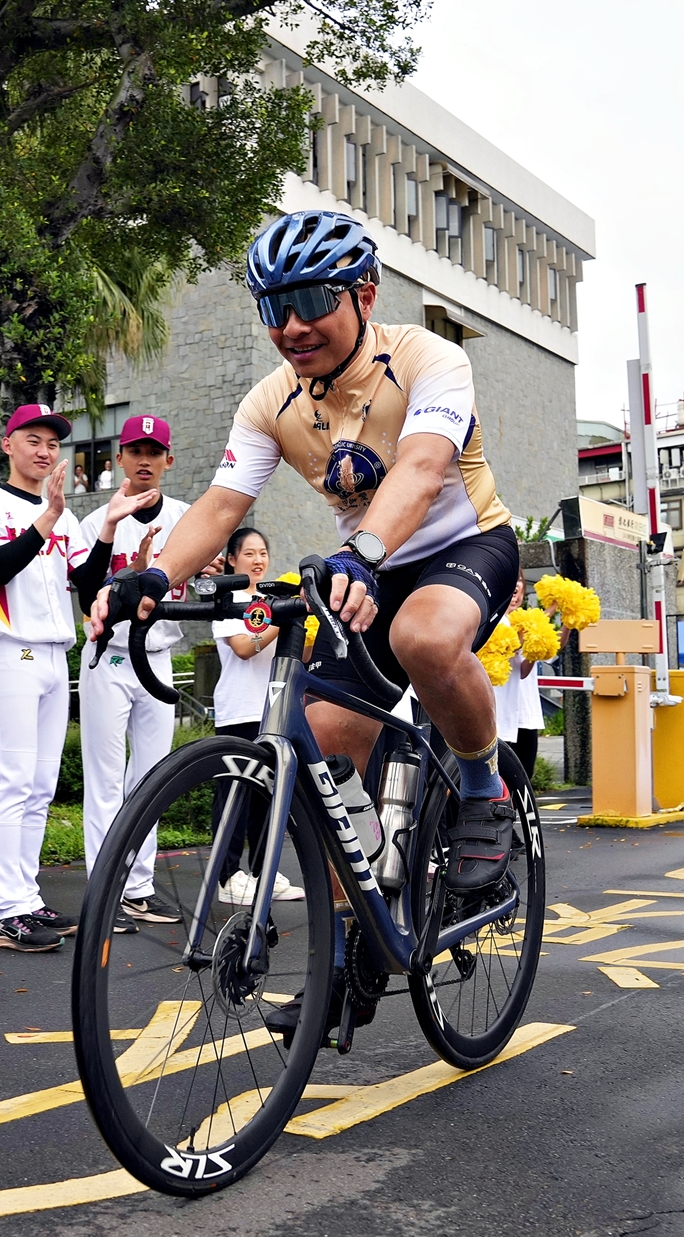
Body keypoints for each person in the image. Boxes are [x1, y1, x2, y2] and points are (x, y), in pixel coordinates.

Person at [89, 209, 520, 894]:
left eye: (313, 300)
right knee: (322, 751)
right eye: (274, 306)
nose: (291, 326)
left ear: (365, 295)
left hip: (463, 547)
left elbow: (421, 469)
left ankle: (482, 788)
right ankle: (357, 944)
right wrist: (153, 575)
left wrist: (362, 554)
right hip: (371, 568)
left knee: (424, 638)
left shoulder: (429, 358)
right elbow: (222, 504)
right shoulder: (269, 401)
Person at [0, 404, 114, 951]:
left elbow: (86, 579)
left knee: (39, 787)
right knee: (11, 781)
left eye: (53, 444)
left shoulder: (67, 517)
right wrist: (47, 518)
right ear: (9, 445)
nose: (46, 451)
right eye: (33, 440)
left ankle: (26, 898)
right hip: (8, 652)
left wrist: (111, 526)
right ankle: (7, 913)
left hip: (55, 655)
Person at [71, 415, 190, 934]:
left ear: (168, 459)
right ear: (119, 458)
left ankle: (139, 887)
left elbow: (197, 592)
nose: (144, 459)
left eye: (154, 450)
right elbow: (84, 588)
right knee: (102, 781)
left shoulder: (188, 520)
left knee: (149, 778)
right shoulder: (96, 519)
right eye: (134, 449)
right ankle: (106, 889)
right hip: (109, 657)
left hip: (158, 659)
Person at [208, 528, 306, 906]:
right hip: (239, 711)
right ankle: (227, 876)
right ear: (232, 559)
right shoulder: (228, 600)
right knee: (235, 795)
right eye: (249, 553)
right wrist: (287, 616)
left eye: (263, 552)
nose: (258, 560)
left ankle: (264, 871)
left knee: (269, 796)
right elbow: (245, 647)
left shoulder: (269, 599)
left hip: (272, 709)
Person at [493, 578, 543, 783]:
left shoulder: (519, 622)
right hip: (499, 709)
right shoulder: (494, 620)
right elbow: (505, 648)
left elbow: (523, 670)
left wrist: (537, 646)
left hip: (521, 710)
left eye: (518, 593)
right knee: (502, 774)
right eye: (513, 592)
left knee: (523, 774)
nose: (515, 598)